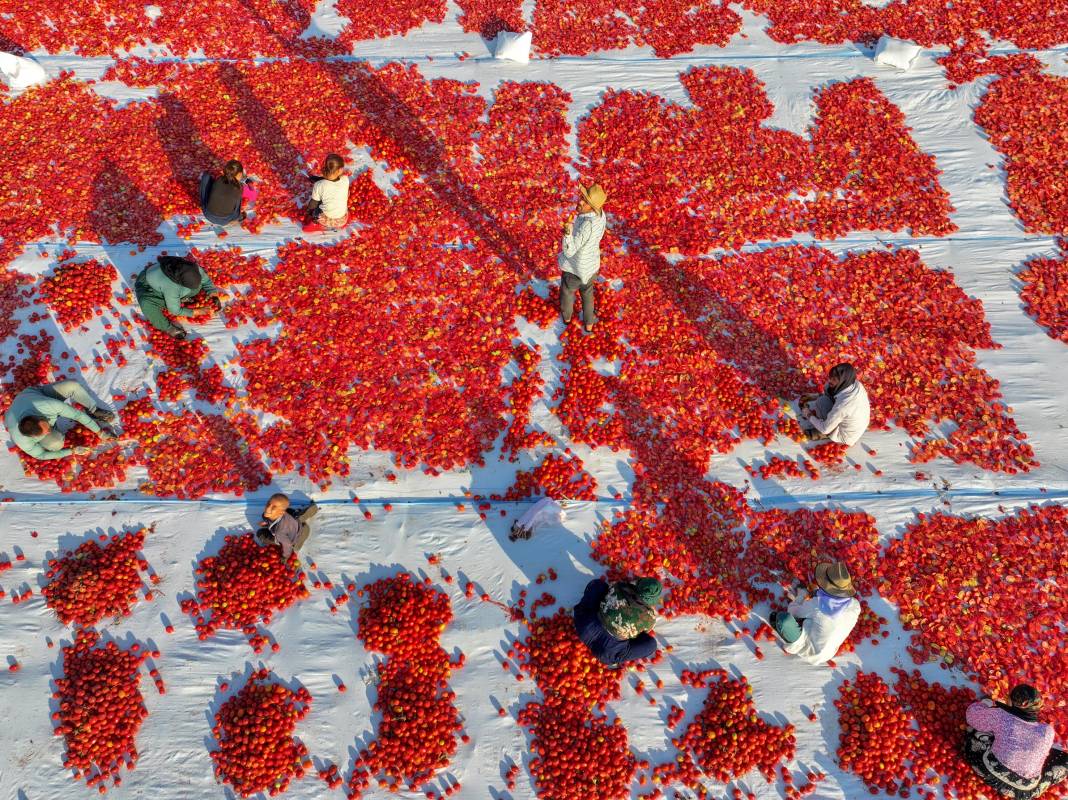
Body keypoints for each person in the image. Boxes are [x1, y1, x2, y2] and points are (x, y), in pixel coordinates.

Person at [964, 685, 1068, 799]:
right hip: (1024, 791)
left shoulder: (1002, 716)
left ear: (1014, 702)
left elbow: (971, 716)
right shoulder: (1048, 731)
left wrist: (986, 702)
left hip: (991, 773)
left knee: (976, 734)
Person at [770, 560, 860, 665]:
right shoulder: (855, 605)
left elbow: (793, 612)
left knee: (780, 619)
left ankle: (793, 648)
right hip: (830, 652)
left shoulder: (817, 606)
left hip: (811, 652)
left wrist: (801, 594)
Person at [4, 380, 116, 460]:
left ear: (39, 417)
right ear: (33, 437)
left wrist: (99, 432)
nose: (48, 431)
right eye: (46, 432)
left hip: (37, 394)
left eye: (47, 426)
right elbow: (41, 455)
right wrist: (71, 451)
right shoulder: (21, 439)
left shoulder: (46, 405)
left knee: (72, 386)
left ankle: (93, 410)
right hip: (18, 409)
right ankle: (51, 437)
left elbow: (77, 415)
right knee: (56, 444)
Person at [573, 576, 660, 667]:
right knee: (651, 645)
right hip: (606, 652)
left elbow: (609, 589)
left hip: (585, 626)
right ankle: (614, 660)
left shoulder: (620, 586)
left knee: (597, 585)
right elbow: (641, 635)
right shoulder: (649, 619)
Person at [559, 183, 607, 333]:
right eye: (581, 197)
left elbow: (570, 251)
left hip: (576, 269)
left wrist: (567, 234)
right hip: (591, 266)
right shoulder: (601, 214)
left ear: (592, 207)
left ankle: (567, 318)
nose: (580, 201)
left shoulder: (587, 225)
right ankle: (589, 324)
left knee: (567, 291)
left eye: (585, 201)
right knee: (587, 293)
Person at [134, 254, 219, 339]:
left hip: (168, 279)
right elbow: (174, 310)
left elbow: (206, 280)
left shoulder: (193, 268)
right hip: (147, 286)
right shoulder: (171, 286)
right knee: (147, 303)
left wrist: (213, 294)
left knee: (197, 288)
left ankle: (179, 298)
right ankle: (168, 328)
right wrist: (196, 312)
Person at [798, 362, 870, 446]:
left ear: (843, 380)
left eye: (834, 379)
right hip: (855, 424)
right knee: (826, 392)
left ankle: (821, 434)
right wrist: (815, 396)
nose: (829, 381)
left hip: (845, 436)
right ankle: (829, 425)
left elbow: (825, 429)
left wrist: (808, 414)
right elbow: (833, 394)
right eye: (830, 377)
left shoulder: (844, 405)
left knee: (821, 402)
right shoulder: (854, 384)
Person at [255, 493, 319, 559]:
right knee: (296, 516)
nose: (268, 508)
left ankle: (297, 543)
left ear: (281, 512)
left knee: (261, 534)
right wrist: (266, 522)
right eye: (268, 503)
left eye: (274, 507)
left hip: (298, 536)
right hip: (295, 523)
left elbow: (287, 545)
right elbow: (268, 517)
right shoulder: (276, 514)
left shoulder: (279, 532)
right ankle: (313, 509)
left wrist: (285, 556)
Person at [198, 159, 257, 226]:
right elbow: (237, 208)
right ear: (240, 174)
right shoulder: (239, 188)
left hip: (208, 214)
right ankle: (239, 218)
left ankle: (202, 202)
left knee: (206, 177)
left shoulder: (219, 179)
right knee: (236, 201)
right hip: (225, 220)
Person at [302, 154, 349, 233]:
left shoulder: (319, 185)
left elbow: (313, 204)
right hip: (342, 219)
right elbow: (332, 181)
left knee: (317, 205)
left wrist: (309, 212)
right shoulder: (345, 179)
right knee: (341, 194)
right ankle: (340, 222)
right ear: (340, 170)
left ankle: (315, 225)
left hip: (326, 220)